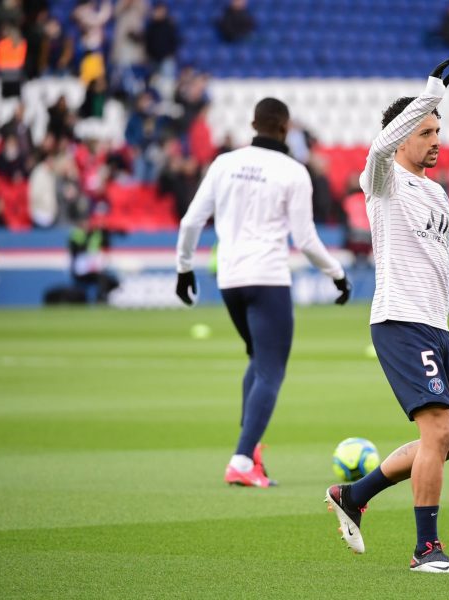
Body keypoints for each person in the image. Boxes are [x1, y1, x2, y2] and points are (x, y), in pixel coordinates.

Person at [324, 58, 449, 574]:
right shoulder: (381, 182)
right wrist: (429, 96)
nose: (435, 139)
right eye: (425, 130)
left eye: (437, 131)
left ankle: (353, 494)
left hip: (436, 326)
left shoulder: (437, 194)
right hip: (399, 321)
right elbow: (380, 146)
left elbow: (448, 267)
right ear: (402, 136)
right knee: (436, 431)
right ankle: (427, 549)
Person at [175, 97, 352, 488]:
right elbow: (305, 239)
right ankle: (240, 459)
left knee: (258, 359)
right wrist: (337, 274)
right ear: (286, 128)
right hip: (268, 278)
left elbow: (190, 221)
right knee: (271, 370)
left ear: (253, 124)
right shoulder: (293, 171)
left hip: (229, 280)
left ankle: (250, 452)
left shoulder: (224, 163)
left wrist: (184, 267)